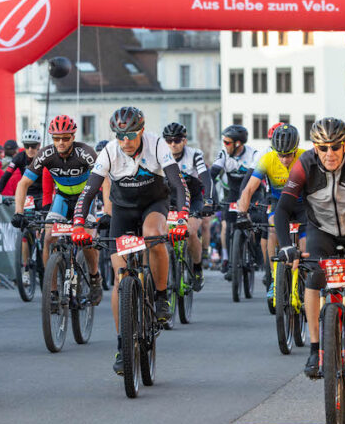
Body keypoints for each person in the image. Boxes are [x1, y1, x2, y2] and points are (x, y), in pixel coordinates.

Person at [273, 117, 345, 385]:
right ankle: (316, 349)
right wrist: (287, 247)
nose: (330, 153)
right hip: (322, 231)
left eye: (336, 147)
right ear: (315, 147)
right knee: (314, 278)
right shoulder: (304, 164)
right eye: (323, 147)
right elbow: (282, 209)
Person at [70, 106, 187, 374]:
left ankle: (160, 297)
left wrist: (180, 219)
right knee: (120, 276)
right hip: (122, 210)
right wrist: (78, 224)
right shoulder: (110, 151)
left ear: (142, 131)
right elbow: (89, 191)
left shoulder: (157, 144)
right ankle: (123, 345)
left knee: (153, 236)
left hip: (153, 204)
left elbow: (177, 184)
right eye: (120, 135)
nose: (126, 140)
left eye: (131, 134)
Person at [12, 115, 103, 305]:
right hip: (61, 198)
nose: (60, 142)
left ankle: (94, 278)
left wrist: (108, 211)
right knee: (48, 238)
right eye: (56, 138)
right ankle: (51, 291)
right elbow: (23, 184)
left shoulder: (85, 152)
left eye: (65, 138)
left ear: (73, 136)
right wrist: (18, 212)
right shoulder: (45, 154)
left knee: (86, 239)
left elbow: (105, 179)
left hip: (85, 197)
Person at [239, 123, 305, 300]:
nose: (284, 159)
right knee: (272, 226)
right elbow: (248, 190)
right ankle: (274, 278)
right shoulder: (267, 159)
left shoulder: (305, 157)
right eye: (281, 155)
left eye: (289, 154)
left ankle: (307, 278)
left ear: (296, 149)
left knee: (306, 242)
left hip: (301, 203)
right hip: (279, 202)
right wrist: (242, 214)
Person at [162, 121, 213, 291]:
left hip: (193, 199)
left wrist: (209, 201)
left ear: (184, 140)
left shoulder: (194, 154)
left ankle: (197, 269)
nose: (173, 144)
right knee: (161, 234)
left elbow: (205, 176)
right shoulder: (160, 155)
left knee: (190, 232)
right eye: (168, 140)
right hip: (170, 200)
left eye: (177, 140)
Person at [209, 124, 261, 277]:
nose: (224, 145)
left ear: (238, 143)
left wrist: (245, 202)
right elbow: (212, 175)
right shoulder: (223, 155)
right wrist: (211, 198)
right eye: (223, 141)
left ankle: (253, 250)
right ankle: (226, 258)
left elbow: (251, 181)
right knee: (226, 224)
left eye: (227, 142)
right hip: (232, 192)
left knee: (250, 218)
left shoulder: (253, 154)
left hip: (252, 192)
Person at [0, 129, 42, 199]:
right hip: (26, 193)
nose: (30, 149)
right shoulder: (19, 157)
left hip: (42, 193)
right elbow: (6, 175)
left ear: (39, 145)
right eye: (26, 145)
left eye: (33, 146)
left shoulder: (45, 156)